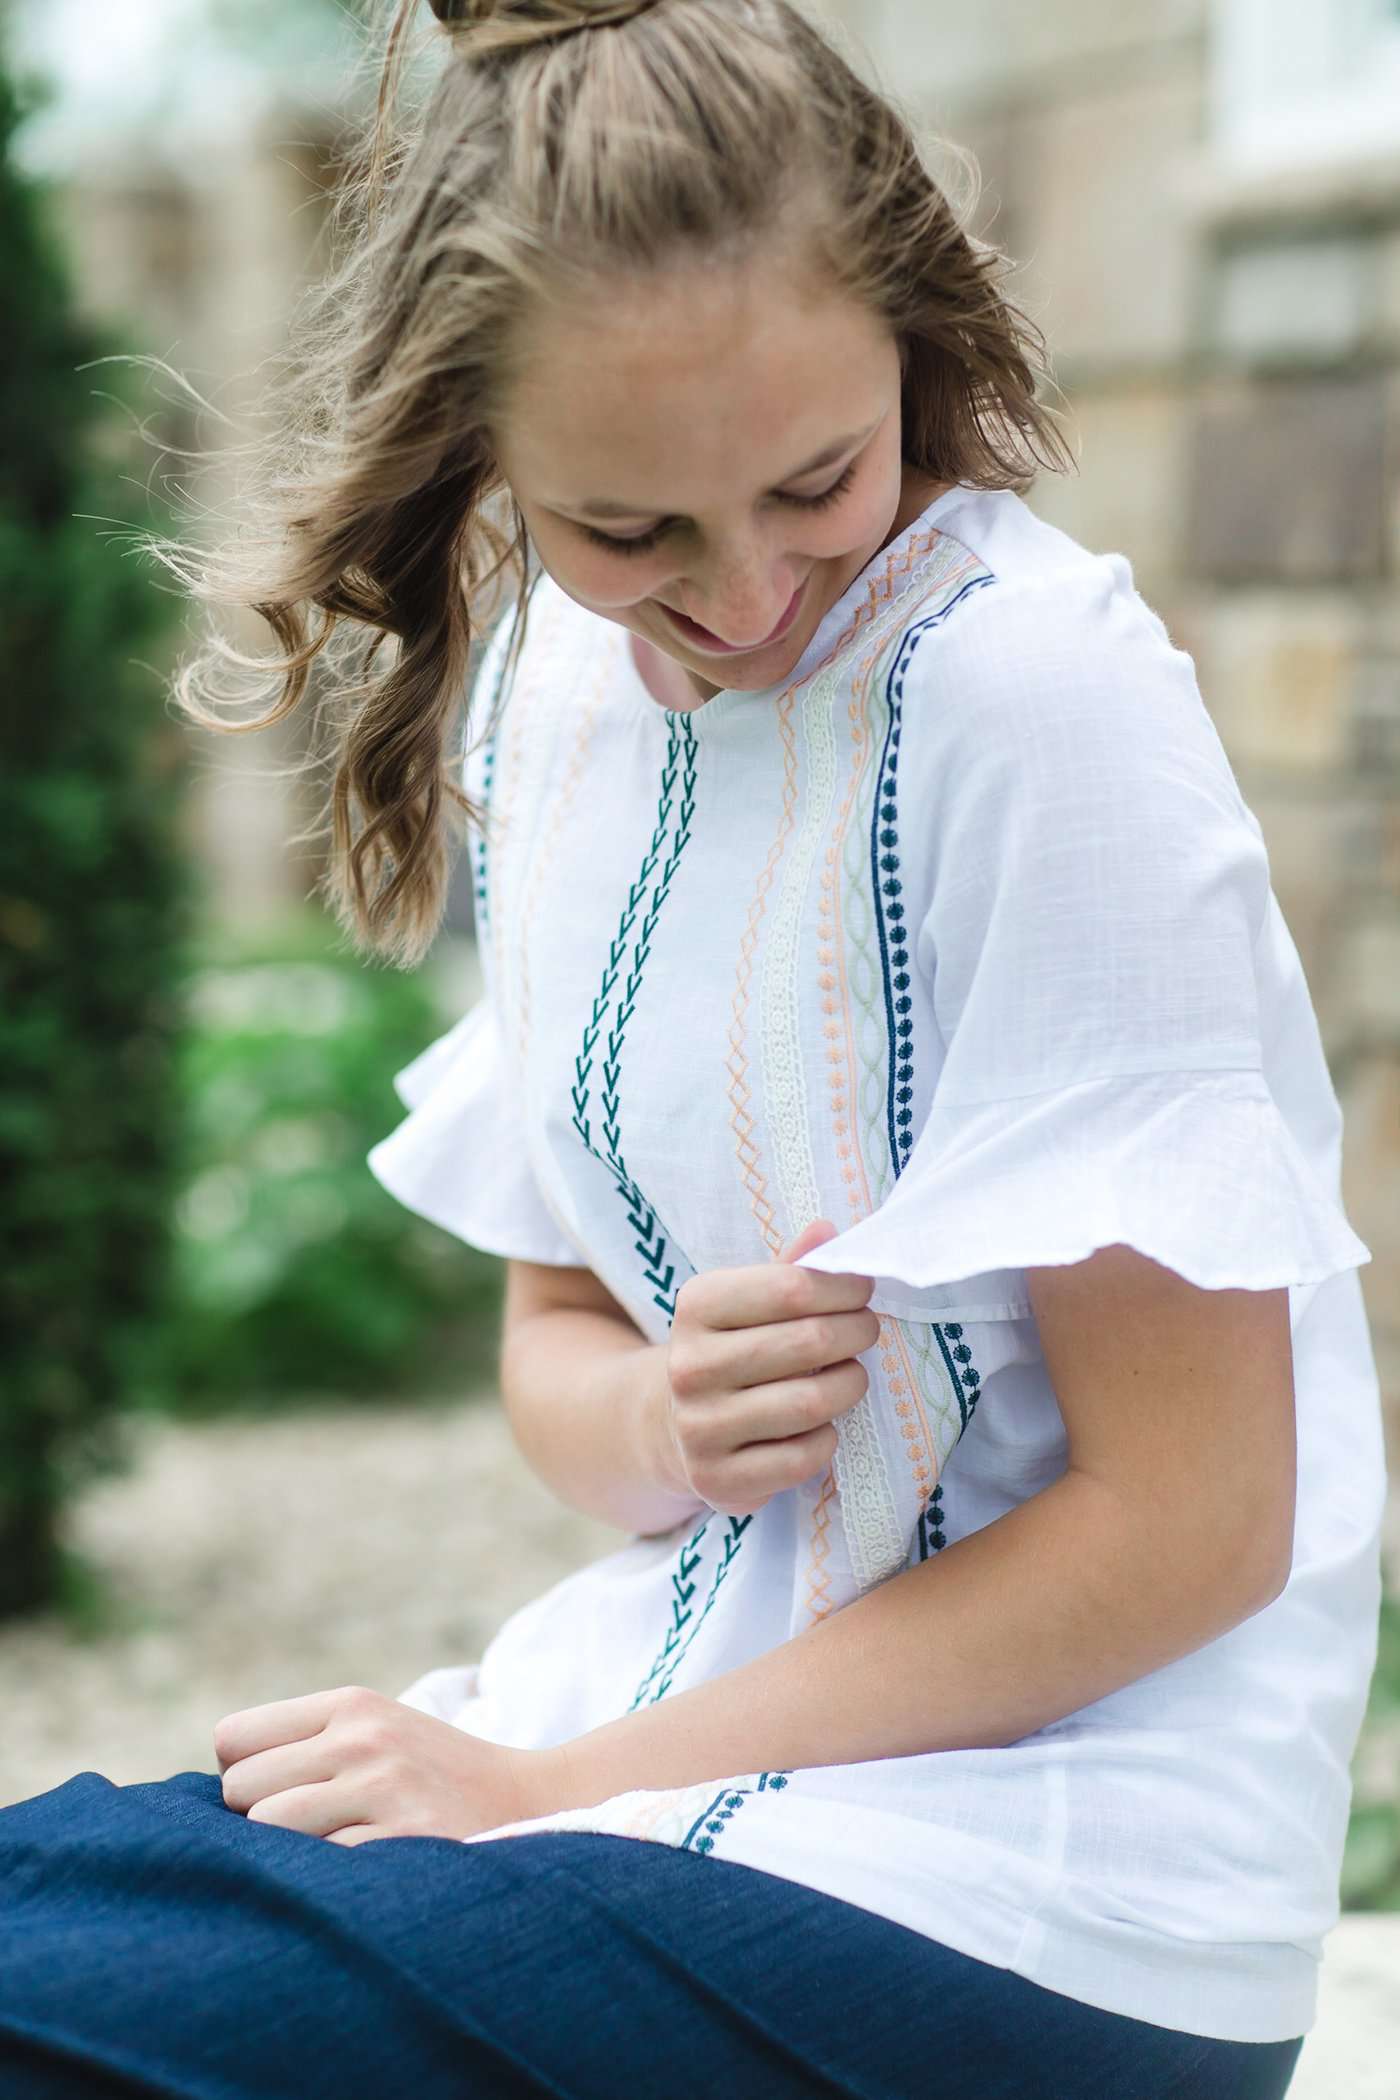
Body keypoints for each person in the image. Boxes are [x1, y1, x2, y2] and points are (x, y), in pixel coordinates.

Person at [0, 0, 1380, 2093]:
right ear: (477, 452)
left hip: (1050, 1907)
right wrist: (658, 1415)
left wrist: (541, 1786)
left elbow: (1191, 1527)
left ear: (915, 338)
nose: (741, 599)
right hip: (649, 1771)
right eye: (628, 528)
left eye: (818, 478)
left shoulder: (1032, 698)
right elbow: (552, 1336)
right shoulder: (554, 695)